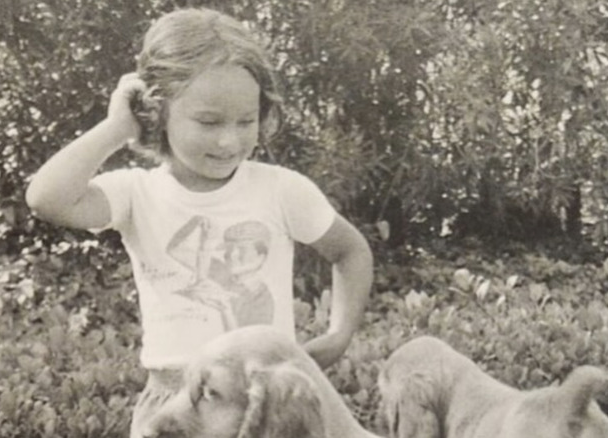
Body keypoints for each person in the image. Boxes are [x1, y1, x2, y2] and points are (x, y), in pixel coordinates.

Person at [24, 7, 373, 437]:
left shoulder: (281, 189)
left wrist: (338, 335)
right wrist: (116, 128)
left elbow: (350, 250)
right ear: (157, 112)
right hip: (174, 400)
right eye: (208, 121)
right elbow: (46, 198)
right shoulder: (138, 193)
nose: (229, 140)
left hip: (260, 404)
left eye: (246, 121)